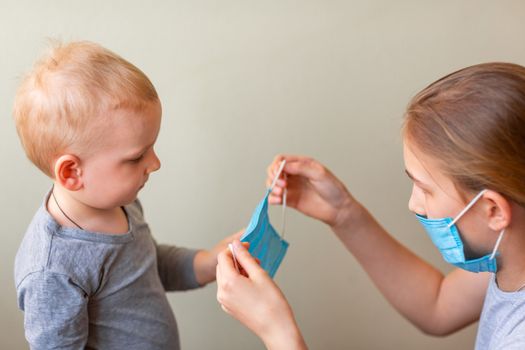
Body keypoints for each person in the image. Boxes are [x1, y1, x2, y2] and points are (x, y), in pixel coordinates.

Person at [216, 62, 525, 350]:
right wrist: (344, 215)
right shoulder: (509, 259)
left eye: (424, 189)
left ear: (493, 210)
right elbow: (438, 306)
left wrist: (278, 333)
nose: (413, 204)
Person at [13, 41, 240, 349]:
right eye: (137, 157)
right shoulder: (52, 271)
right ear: (71, 173)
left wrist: (207, 262)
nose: (155, 164)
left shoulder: (121, 203)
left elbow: (143, 267)